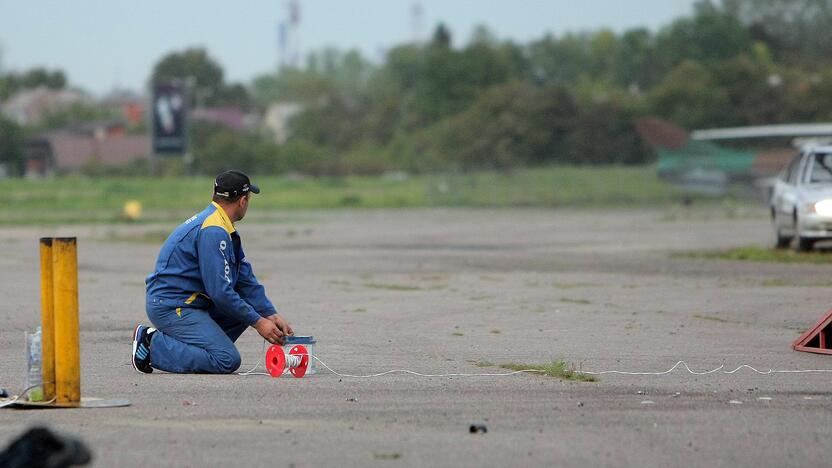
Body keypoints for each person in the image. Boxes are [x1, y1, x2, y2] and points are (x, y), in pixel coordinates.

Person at [131, 170, 292, 374]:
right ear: (243, 201)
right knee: (226, 360)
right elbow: (220, 292)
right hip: (172, 306)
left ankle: (199, 344)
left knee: (247, 308)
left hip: (189, 303)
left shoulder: (221, 224)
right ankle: (151, 343)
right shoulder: (214, 230)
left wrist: (269, 313)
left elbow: (244, 276)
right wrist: (258, 322)